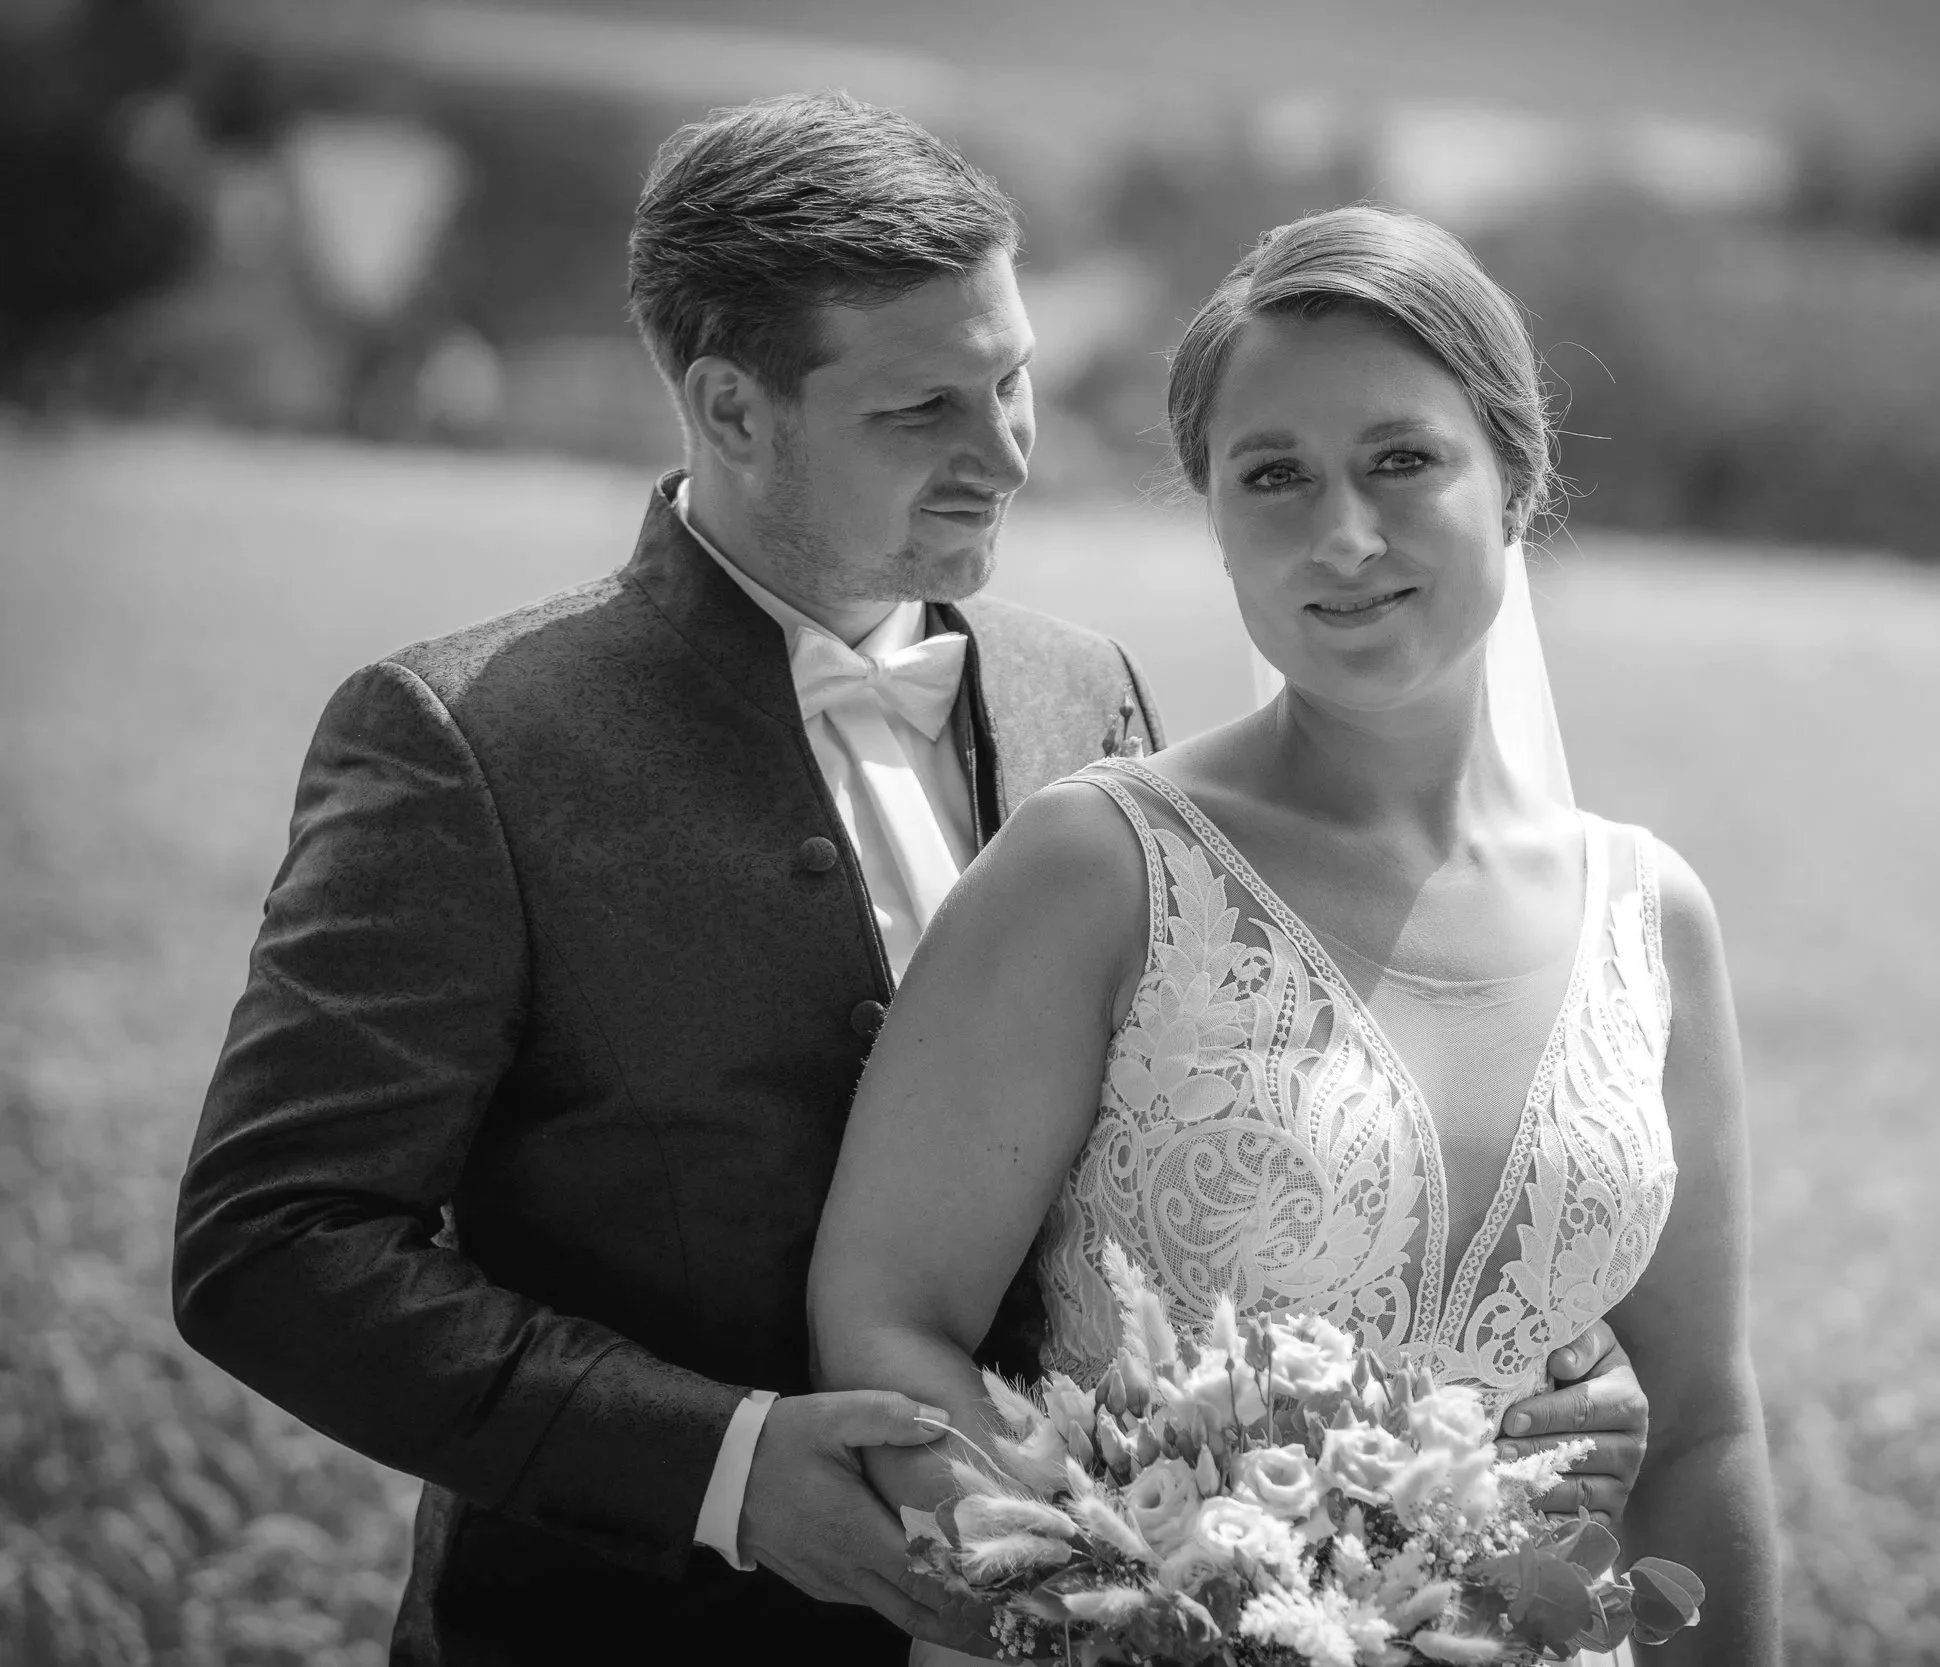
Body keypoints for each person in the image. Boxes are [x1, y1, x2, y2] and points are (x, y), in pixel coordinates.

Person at [170, 97, 1641, 1666]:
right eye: (922, 407)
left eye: (1009, 378)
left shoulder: (1090, 694)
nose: (1006, 451)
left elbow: (1232, 1157)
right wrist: (722, 1464)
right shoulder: (469, 745)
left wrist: (1498, 1398)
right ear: (732, 411)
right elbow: (271, 1244)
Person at [811, 205, 1781, 1665]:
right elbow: (887, 1321)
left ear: (1515, 477)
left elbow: (1703, 1428)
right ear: (1213, 519)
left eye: (1404, 460)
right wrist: (1129, 1603)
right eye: (1274, 475)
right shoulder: (1099, 869)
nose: (1343, 534)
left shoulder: (1654, 920)